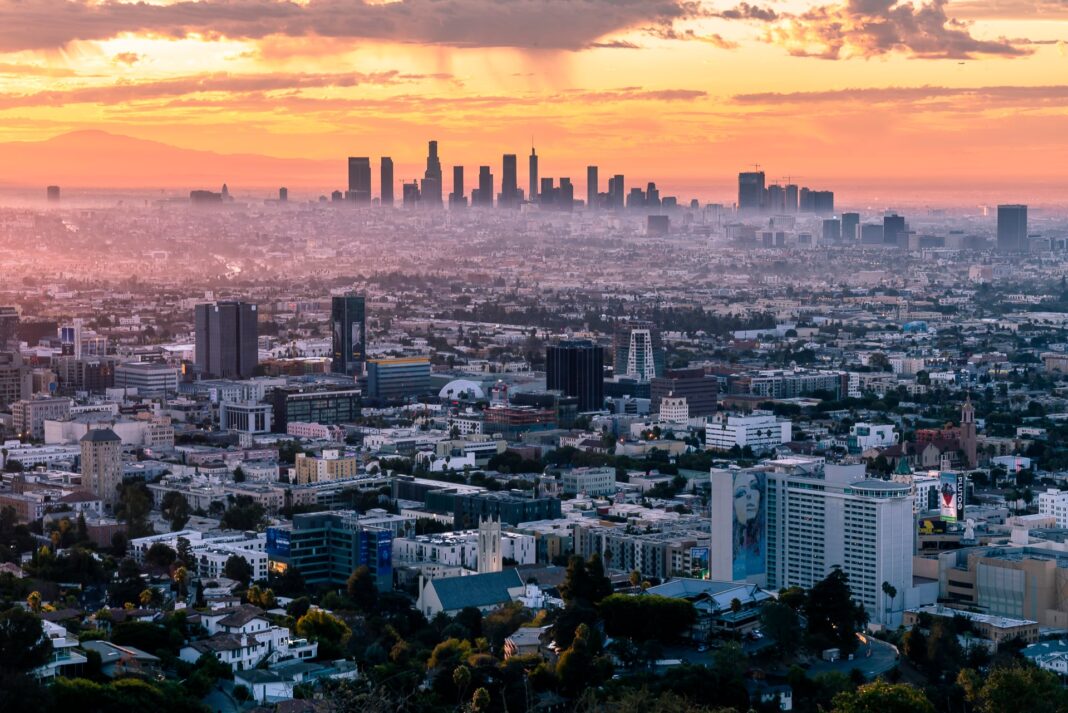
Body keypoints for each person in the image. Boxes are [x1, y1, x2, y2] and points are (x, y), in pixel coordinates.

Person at [733, 471, 765, 579]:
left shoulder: (764, 543)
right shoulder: (734, 552)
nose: (749, 496)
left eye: (754, 487)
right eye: (741, 493)